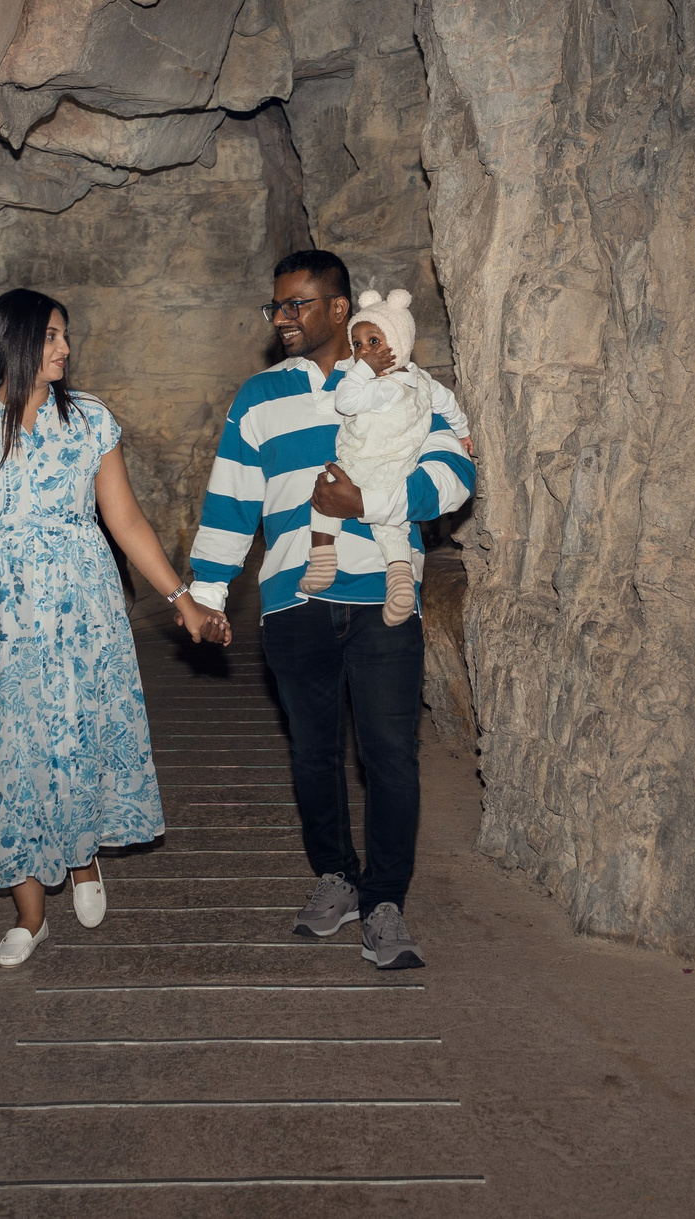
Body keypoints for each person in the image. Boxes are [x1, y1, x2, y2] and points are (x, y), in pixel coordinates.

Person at [0, 288, 231, 967]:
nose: (64, 347)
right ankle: (29, 914)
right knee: (8, 752)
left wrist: (182, 598)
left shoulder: (88, 421)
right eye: (52, 334)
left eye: (65, 335)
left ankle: (84, 862)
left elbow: (127, 520)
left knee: (73, 732)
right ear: (17, 339)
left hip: (80, 610)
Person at [187, 250, 475, 970]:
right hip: (294, 598)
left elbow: (455, 475)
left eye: (297, 304)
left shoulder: (411, 386)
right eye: (276, 306)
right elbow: (230, 502)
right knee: (313, 754)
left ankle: (385, 901)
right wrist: (209, 595)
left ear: (341, 309)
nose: (282, 318)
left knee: (389, 756)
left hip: (384, 594)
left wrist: (372, 504)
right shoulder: (258, 397)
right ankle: (336, 877)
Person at [295, 288, 449, 625]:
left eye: (374, 342)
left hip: (374, 464)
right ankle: (362, 570)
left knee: (354, 509)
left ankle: (348, 565)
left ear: (399, 341)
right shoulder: (421, 381)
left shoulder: (372, 384)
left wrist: (360, 370)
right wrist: (463, 429)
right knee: (362, 513)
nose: (364, 352)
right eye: (358, 346)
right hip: (374, 466)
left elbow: (345, 402)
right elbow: (447, 401)